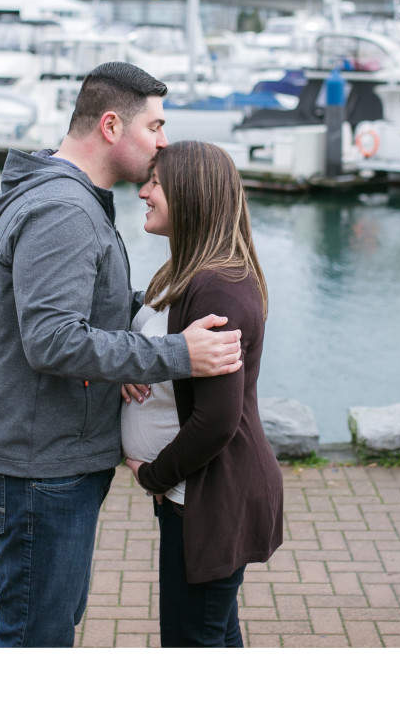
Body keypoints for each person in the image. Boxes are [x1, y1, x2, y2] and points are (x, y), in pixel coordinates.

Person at [0, 62, 245, 649]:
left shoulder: (74, 200)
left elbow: (95, 306)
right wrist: (174, 354)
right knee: (37, 639)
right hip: (38, 464)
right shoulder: (64, 211)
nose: (164, 141)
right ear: (112, 125)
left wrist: (144, 339)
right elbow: (53, 339)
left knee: (45, 625)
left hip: (46, 457)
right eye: (156, 125)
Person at [122, 139, 284, 647]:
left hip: (211, 494)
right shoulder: (188, 273)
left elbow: (218, 419)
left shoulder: (216, 287)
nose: (144, 193)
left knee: (193, 643)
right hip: (192, 495)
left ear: (190, 195)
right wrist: (134, 359)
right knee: (212, 634)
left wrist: (154, 475)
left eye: (155, 184)